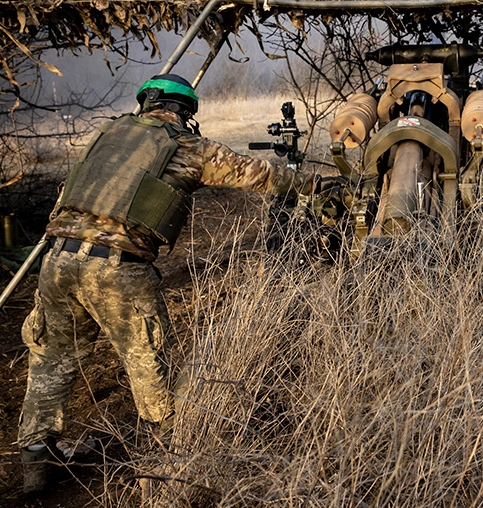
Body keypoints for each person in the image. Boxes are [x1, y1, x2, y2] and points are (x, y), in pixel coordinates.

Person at [18, 73, 314, 494]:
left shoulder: (107, 135)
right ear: (185, 112)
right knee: (148, 365)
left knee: (51, 360)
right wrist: (312, 184)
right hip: (118, 268)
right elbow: (260, 176)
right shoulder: (187, 146)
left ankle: (35, 463)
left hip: (57, 261)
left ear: (145, 103)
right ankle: (167, 463)